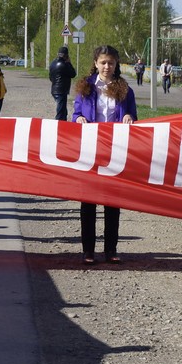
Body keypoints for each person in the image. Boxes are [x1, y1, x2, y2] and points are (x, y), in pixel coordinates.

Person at [73, 45, 137, 265]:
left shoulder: (125, 89)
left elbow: (133, 116)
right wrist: (79, 119)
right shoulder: (85, 87)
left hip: (115, 151)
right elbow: (76, 114)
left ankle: (111, 249)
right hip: (90, 151)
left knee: (112, 203)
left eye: (111, 62)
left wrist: (128, 115)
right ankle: (88, 251)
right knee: (88, 202)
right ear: (96, 63)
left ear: (116, 64)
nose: (107, 66)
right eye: (103, 62)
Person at [49, 46, 76, 121]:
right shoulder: (64, 64)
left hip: (54, 89)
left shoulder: (53, 63)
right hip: (62, 90)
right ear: (66, 55)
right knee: (61, 111)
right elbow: (73, 74)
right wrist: (69, 63)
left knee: (63, 110)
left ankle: (63, 122)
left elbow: (50, 77)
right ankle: (59, 125)